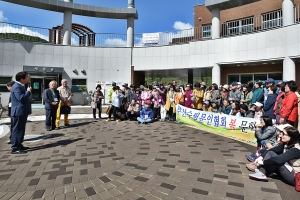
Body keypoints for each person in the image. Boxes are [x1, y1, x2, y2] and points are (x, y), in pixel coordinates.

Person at [10, 71, 32, 154]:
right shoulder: (16, 87)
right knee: (17, 129)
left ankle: (19, 144)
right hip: (18, 112)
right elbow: (21, 98)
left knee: (21, 129)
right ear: (22, 78)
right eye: (26, 77)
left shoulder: (20, 86)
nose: (28, 78)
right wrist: (28, 91)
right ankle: (15, 147)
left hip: (22, 112)